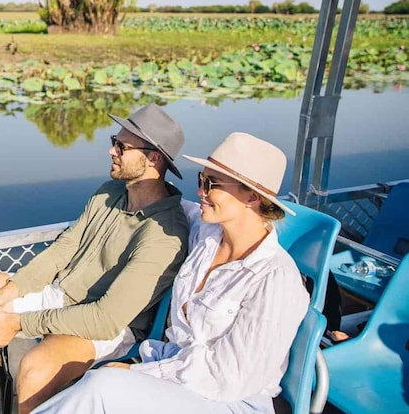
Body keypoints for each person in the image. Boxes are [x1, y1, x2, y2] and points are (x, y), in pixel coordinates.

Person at [0, 103, 191, 414]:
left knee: (36, 368)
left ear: (153, 159)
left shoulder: (164, 234)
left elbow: (107, 318)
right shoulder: (109, 192)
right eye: (114, 141)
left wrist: (15, 323)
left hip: (107, 328)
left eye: (122, 146)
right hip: (59, 294)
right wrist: (10, 290)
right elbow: (63, 249)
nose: (111, 151)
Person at [32, 132, 310, 414]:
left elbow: (229, 378)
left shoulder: (274, 279)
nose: (200, 191)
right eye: (200, 179)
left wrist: (143, 373)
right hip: (177, 377)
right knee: (97, 386)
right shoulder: (205, 233)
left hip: (230, 401)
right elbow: (156, 201)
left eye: (211, 183)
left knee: (102, 387)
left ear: (251, 196)